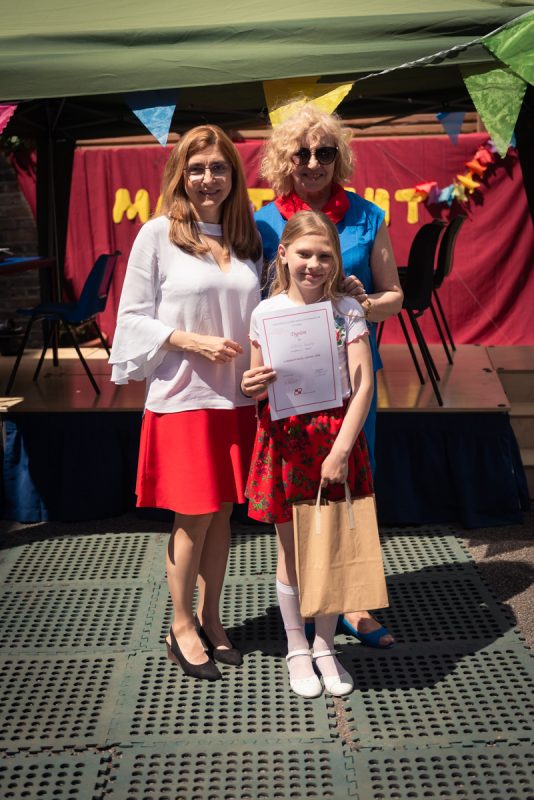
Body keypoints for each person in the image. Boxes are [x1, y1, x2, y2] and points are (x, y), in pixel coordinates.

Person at [109, 125, 262, 681]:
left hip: (237, 399)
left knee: (222, 512)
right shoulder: (157, 235)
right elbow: (129, 319)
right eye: (196, 168)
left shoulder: (246, 240)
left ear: (233, 176)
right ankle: (180, 625)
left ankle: (212, 618)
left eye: (218, 167)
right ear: (180, 175)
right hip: (183, 399)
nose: (207, 178)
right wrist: (188, 340)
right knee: (193, 514)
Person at [254, 103, 402, 649]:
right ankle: (306, 608)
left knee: (349, 490)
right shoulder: (263, 222)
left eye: (325, 152)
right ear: (284, 159)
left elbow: (394, 295)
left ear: (340, 158)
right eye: (302, 153)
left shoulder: (367, 216)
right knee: (294, 499)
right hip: (290, 388)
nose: (314, 162)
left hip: (350, 385)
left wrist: (363, 305)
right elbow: (255, 301)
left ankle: (352, 603)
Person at [242, 210, 376, 697]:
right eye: (304, 253)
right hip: (285, 441)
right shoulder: (265, 313)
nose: (313, 265)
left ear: (335, 261)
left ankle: (325, 645)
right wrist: (250, 385)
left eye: (324, 256)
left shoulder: (348, 310)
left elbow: (363, 386)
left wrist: (340, 451)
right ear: (283, 254)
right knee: (292, 550)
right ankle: (296, 644)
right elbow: (257, 384)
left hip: (334, 439)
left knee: (331, 544)